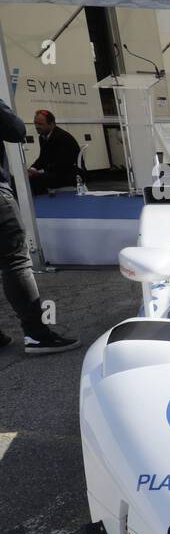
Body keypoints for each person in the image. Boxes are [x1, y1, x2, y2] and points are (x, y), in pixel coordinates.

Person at [0, 99, 79, 353]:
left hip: (61, 175)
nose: (36, 127)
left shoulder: (61, 138)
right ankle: (36, 334)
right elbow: (15, 130)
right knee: (15, 262)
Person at [26, 110, 80, 195]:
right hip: (57, 172)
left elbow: (64, 163)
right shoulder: (43, 137)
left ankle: (40, 204)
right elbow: (42, 158)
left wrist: (41, 172)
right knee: (27, 177)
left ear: (52, 124)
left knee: (34, 180)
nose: (36, 126)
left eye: (40, 124)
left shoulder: (62, 137)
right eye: (35, 123)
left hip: (68, 174)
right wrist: (32, 169)